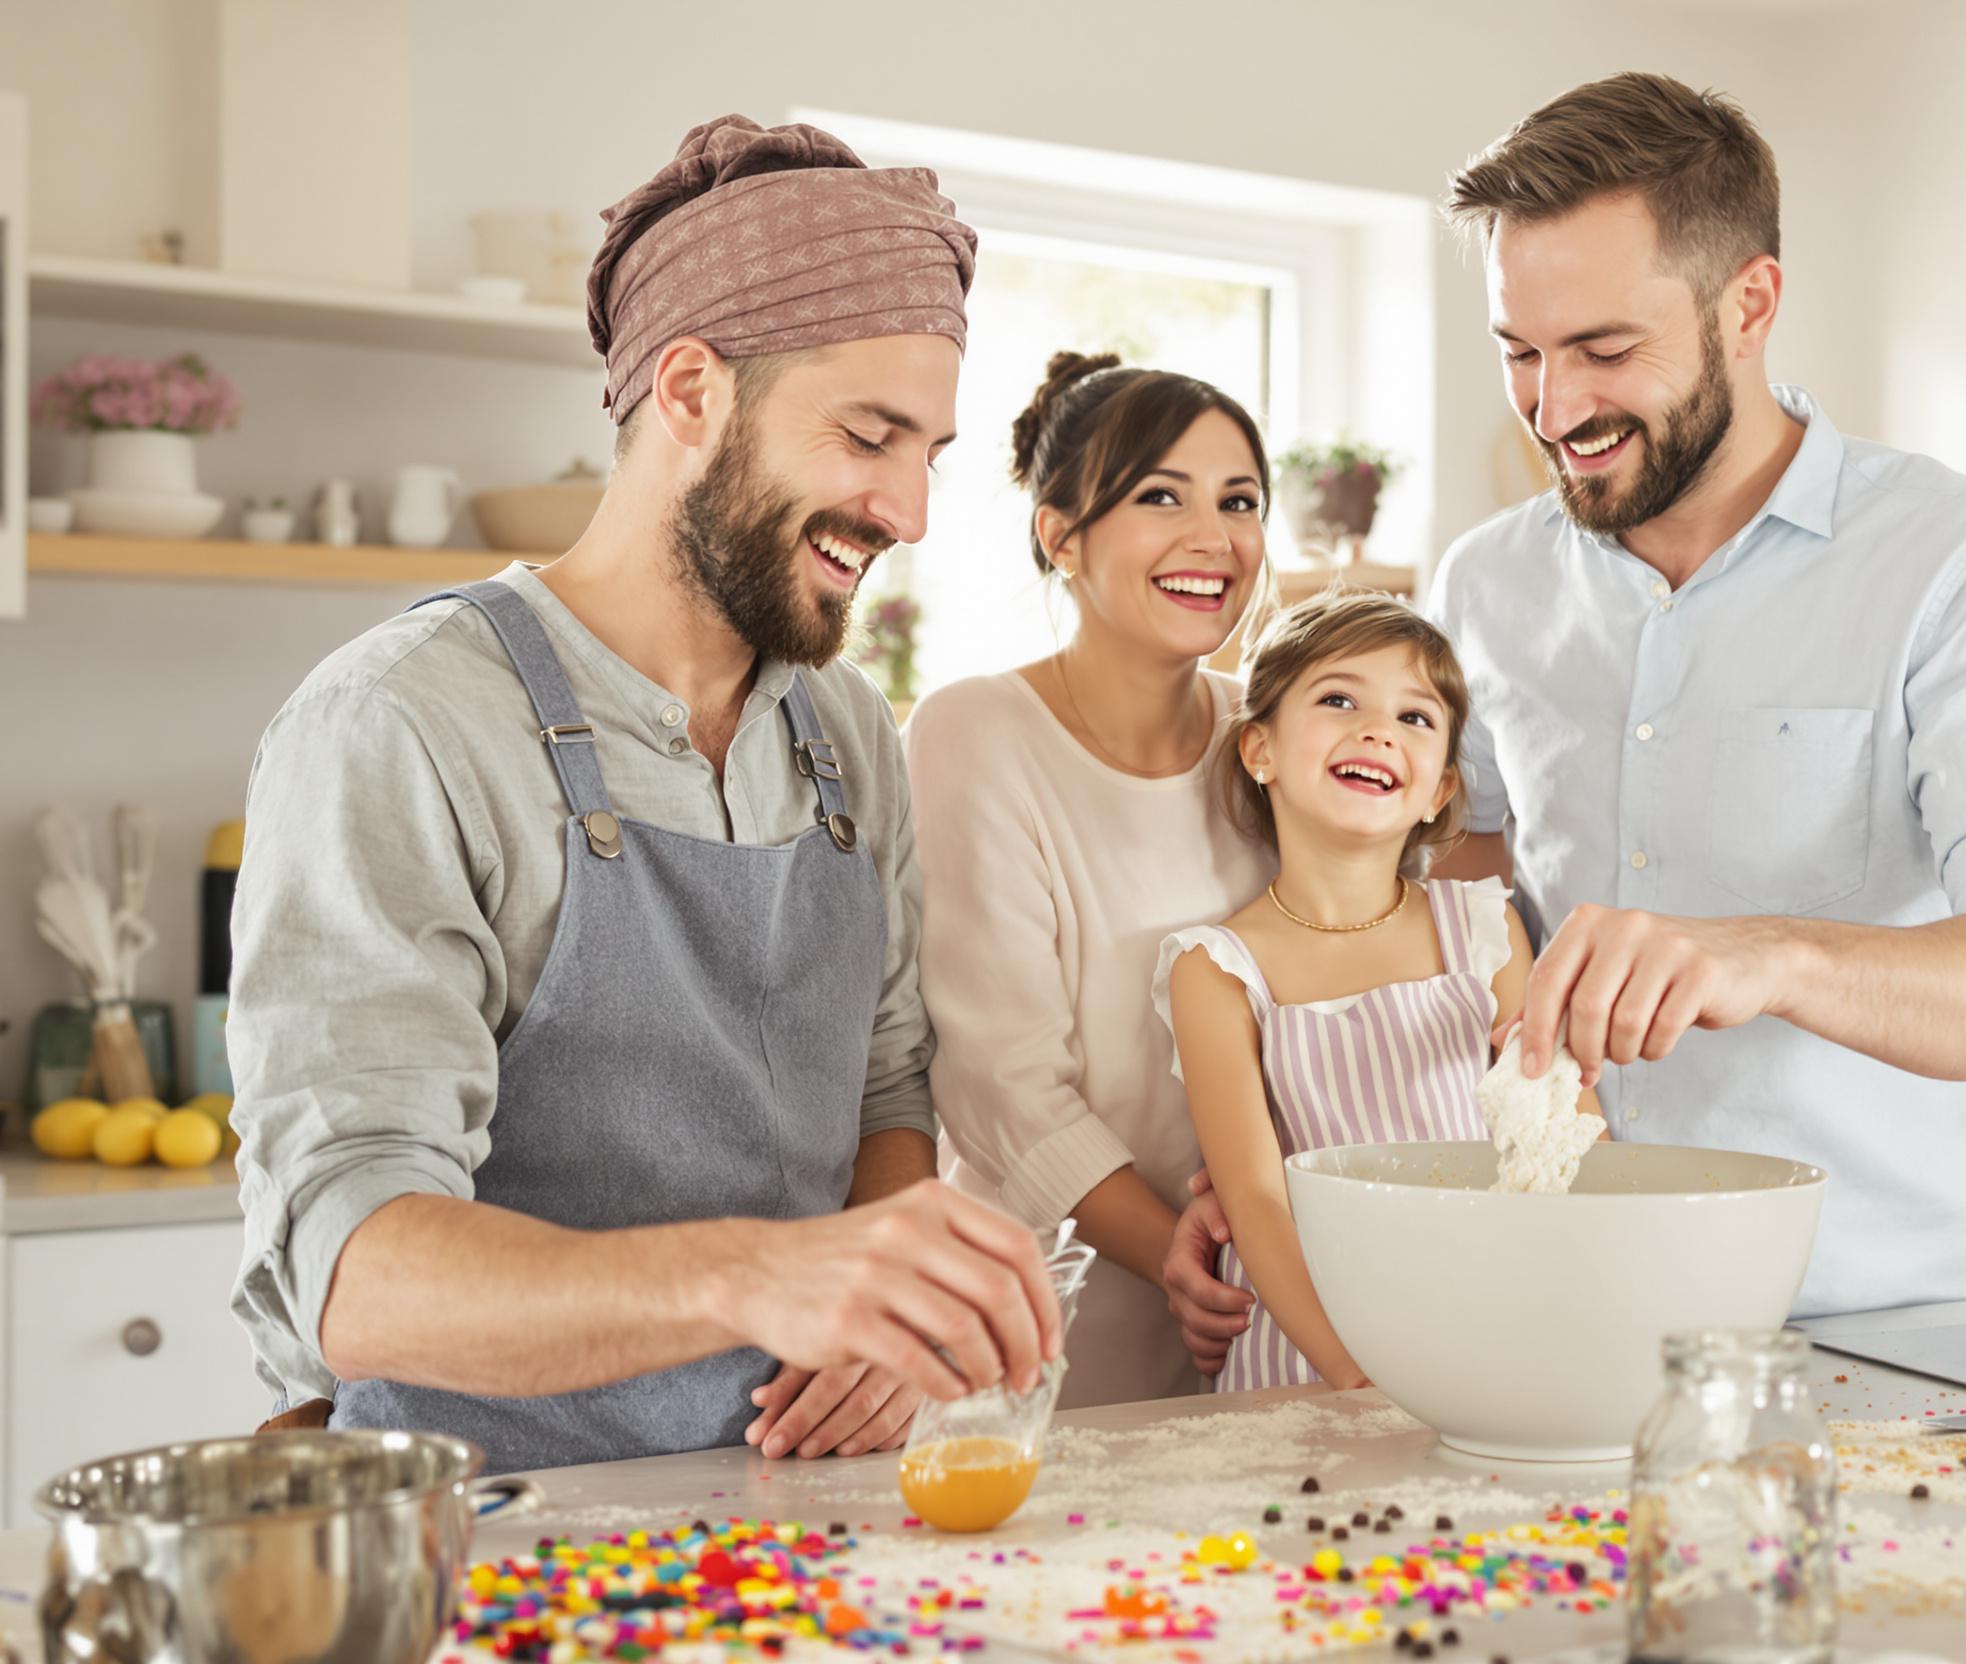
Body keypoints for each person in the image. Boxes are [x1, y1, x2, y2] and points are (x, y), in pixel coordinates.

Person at [227, 116, 1057, 1475]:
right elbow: (360, 1276)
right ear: (686, 393)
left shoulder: (842, 730)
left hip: (810, 1509)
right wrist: (761, 1276)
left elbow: (886, 1085)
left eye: (932, 454)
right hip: (489, 1526)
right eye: (868, 434)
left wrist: (876, 1319)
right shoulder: (404, 725)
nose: (909, 510)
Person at [1422, 71, 1966, 1315]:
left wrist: (1771, 952)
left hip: (1891, 1337)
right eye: (1519, 352)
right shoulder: (1485, 584)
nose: (1555, 407)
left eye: (1604, 349)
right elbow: (1470, 883)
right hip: (1564, 1302)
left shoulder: (1963, 560)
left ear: (1750, 303)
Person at [906, 352, 1271, 1407]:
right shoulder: (974, 732)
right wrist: (1179, 1256)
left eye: (1238, 501)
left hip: (1255, 1314)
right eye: (1162, 495)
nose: (1214, 537)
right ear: (1058, 534)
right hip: (1044, 1323)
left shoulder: (1273, 732)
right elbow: (1001, 1088)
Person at [1156, 593, 1604, 1390]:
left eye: (1416, 718)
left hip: (1487, 1333)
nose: (1379, 731)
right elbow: (1255, 1198)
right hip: (1307, 1353)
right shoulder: (1216, 968)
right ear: (1259, 749)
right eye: (1338, 700)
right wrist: (1350, 1369)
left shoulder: (1485, 930)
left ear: (1436, 791)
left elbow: (1567, 1140)